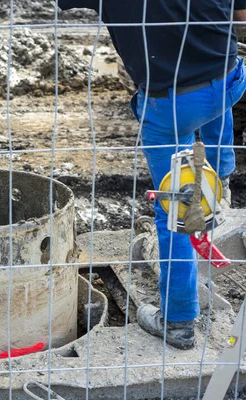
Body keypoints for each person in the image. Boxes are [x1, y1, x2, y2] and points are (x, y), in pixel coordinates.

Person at [57, 0, 246, 349]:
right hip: (228, 82)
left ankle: (177, 321)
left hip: (171, 107)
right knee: (217, 78)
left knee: (174, 210)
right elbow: (241, 17)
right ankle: (219, 177)